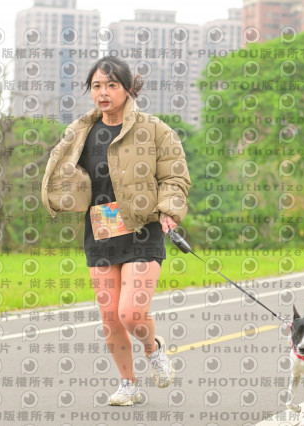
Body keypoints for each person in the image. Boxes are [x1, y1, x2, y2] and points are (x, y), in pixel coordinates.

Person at [41, 56, 191, 405]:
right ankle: (128, 384)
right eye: (96, 86)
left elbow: (175, 175)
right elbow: (59, 169)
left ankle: (153, 348)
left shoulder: (154, 129)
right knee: (110, 318)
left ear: (128, 88)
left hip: (142, 228)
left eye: (111, 85)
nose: (103, 92)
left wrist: (169, 211)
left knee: (131, 313)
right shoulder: (80, 131)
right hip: (101, 229)